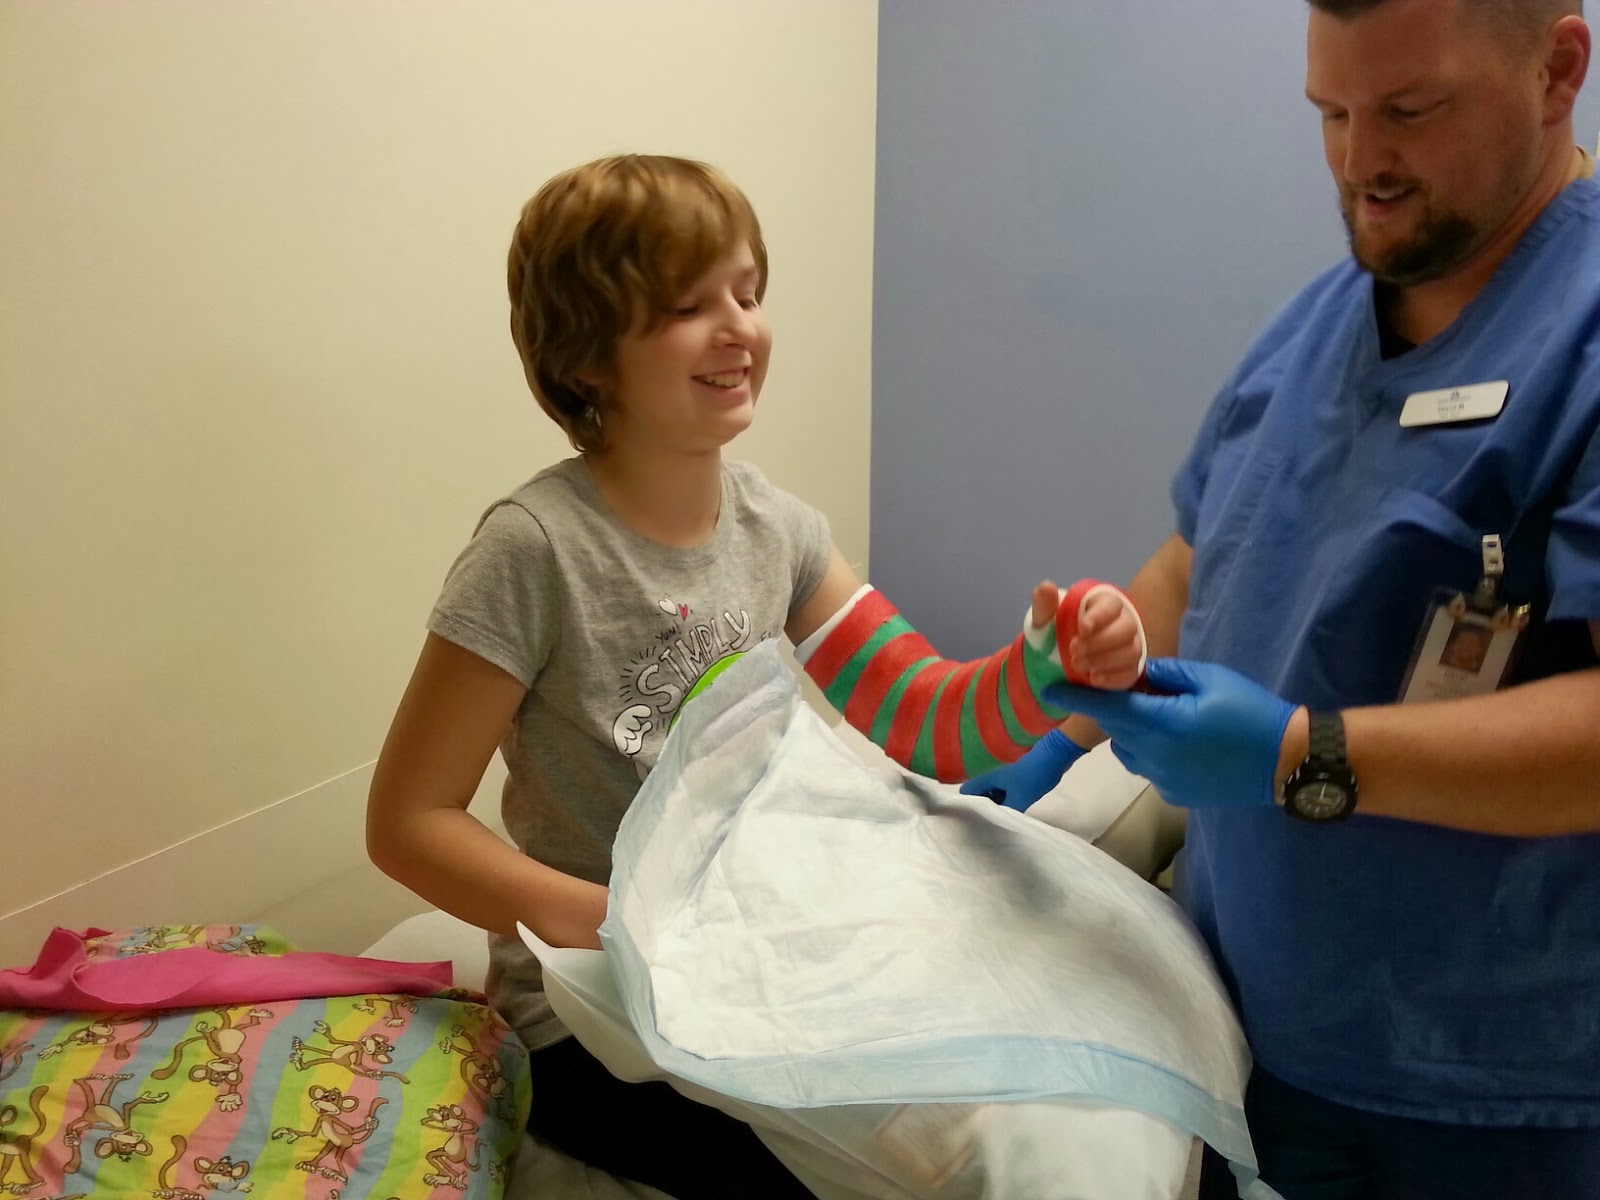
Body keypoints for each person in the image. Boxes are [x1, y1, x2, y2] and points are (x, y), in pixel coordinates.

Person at [364, 153, 1143, 1199]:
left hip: (750, 957)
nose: (739, 328)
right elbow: (407, 822)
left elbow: (928, 721)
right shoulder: (535, 550)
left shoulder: (778, 528)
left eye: (748, 293)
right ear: (586, 356)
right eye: (690, 306)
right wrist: (603, 920)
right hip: (595, 1018)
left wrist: (1046, 667)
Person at [978, 2, 1600, 1196]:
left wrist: (1299, 756)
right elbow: (1197, 563)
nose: (1362, 162)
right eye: (1331, 113)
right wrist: (1057, 737)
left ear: (1556, 69)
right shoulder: (1309, 332)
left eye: (1410, 110)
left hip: (1492, 1104)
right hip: (1239, 1049)